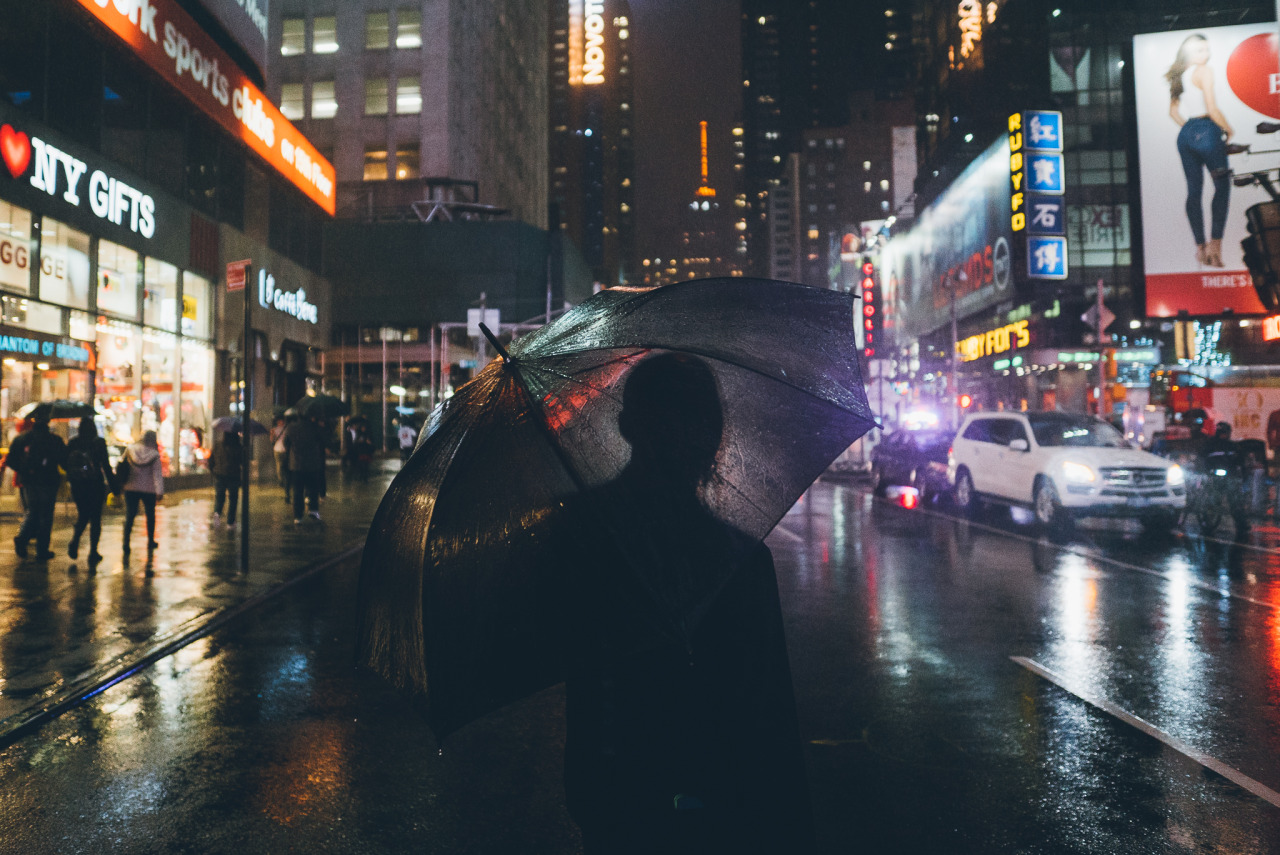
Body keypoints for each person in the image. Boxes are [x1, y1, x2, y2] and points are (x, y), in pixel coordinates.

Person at [555, 353, 814, 854]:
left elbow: (558, 651)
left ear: (627, 427)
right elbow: (768, 724)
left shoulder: (579, 535)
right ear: (714, 439)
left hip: (614, 797)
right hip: (717, 803)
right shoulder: (741, 562)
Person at [1166, 33, 1235, 268]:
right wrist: (1228, 128)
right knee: (1222, 187)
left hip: (1185, 135)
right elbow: (1212, 108)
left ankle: (1200, 248)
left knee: (1194, 192)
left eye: (1206, 50)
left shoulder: (1179, 75)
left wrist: (1190, 130)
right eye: (1199, 50)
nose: (1204, 55)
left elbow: (1173, 113)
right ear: (1189, 53)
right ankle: (1215, 248)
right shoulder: (1204, 72)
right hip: (1207, 130)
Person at [7, 412, 67, 562]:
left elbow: (10, 459)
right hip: (49, 481)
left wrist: (24, 470)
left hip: (29, 480)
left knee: (32, 510)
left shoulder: (22, 438)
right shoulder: (54, 440)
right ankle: (42, 549)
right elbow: (64, 461)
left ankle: (23, 537)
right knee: (46, 515)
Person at [65, 417, 119, 566]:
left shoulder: (73, 442)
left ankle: (75, 540)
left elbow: (65, 463)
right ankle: (93, 551)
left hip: (78, 486)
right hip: (95, 485)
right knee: (95, 518)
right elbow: (106, 466)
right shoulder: (99, 442)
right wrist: (115, 487)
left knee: (83, 515)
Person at [120, 430, 165, 557]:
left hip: (130, 487)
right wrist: (159, 491)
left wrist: (120, 483)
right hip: (148, 489)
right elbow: (157, 475)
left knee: (130, 515)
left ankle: (126, 542)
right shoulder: (154, 455)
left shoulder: (130, 449)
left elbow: (122, 466)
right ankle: (150, 541)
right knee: (150, 515)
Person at [283, 414, 326, 523]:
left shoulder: (291, 427)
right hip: (312, 464)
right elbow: (323, 440)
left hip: (296, 464)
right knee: (313, 489)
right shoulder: (315, 427)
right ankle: (313, 510)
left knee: (297, 491)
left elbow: (286, 442)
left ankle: (298, 516)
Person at [208, 430, 243, 527]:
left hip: (219, 474)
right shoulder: (238, 447)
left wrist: (213, 470)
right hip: (233, 475)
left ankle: (217, 514)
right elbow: (242, 461)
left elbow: (211, 459)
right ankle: (230, 522)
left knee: (219, 496)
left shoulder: (218, 445)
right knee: (233, 498)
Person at [271, 416, 292, 504]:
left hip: (279, 449)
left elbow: (271, 440)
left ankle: (282, 481)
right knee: (282, 466)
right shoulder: (287, 429)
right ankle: (283, 480)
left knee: (280, 466)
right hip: (283, 450)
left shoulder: (276, 429)